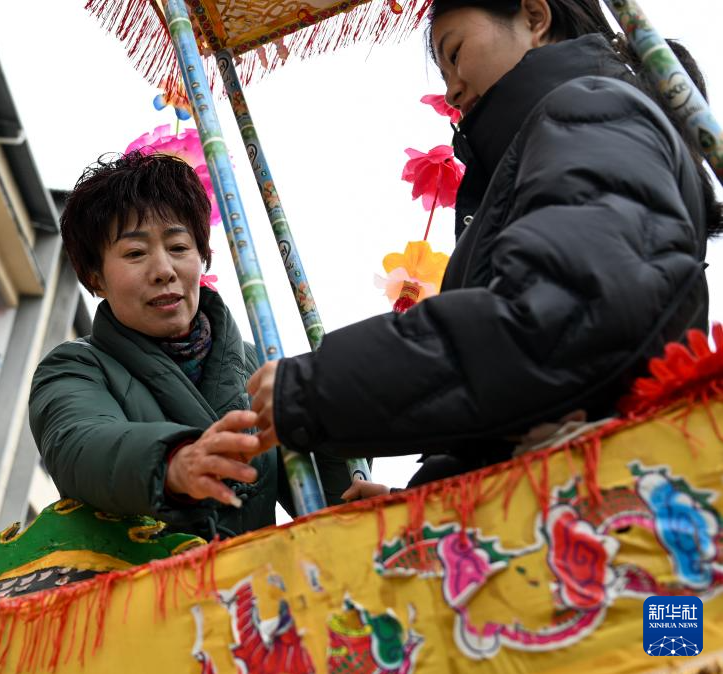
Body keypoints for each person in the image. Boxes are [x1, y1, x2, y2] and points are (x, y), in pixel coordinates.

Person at [248, 0, 720, 491]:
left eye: (455, 53)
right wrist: (422, 498)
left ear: (535, 17)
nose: (451, 90)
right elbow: (531, 408)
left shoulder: (591, 110)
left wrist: (313, 389)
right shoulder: (560, 136)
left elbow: (559, 327)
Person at [28, 151, 350, 539]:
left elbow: (323, 506)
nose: (164, 270)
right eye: (135, 253)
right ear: (96, 278)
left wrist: (329, 420)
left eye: (179, 247)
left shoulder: (260, 364)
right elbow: (79, 447)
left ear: (202, 256)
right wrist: (173, 463)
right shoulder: (74, 367)